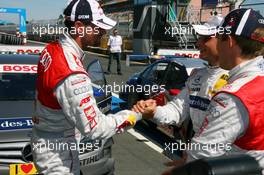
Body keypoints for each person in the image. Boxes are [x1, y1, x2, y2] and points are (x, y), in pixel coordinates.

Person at [31, 0, 141, 174]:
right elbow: (95, 129)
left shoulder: (52, 49)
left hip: (47, 140)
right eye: (98, 27)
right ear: (79, 27)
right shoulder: (72, 73)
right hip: (58, 157)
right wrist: (135, 115)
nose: (103, 32)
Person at [166, 8, 264, 175]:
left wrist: (182, 167)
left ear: (230, 41)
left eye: (218, 38)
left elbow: (202, 155)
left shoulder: (234, 96)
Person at [133, 15, 228, 147]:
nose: (198, 43)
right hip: (201, 155)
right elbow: (177, 110)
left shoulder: (240, 78)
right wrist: (154, 111)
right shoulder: (197, 75)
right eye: (199, 38)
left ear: (226, 41)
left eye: (205, 38)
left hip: (229, 161)